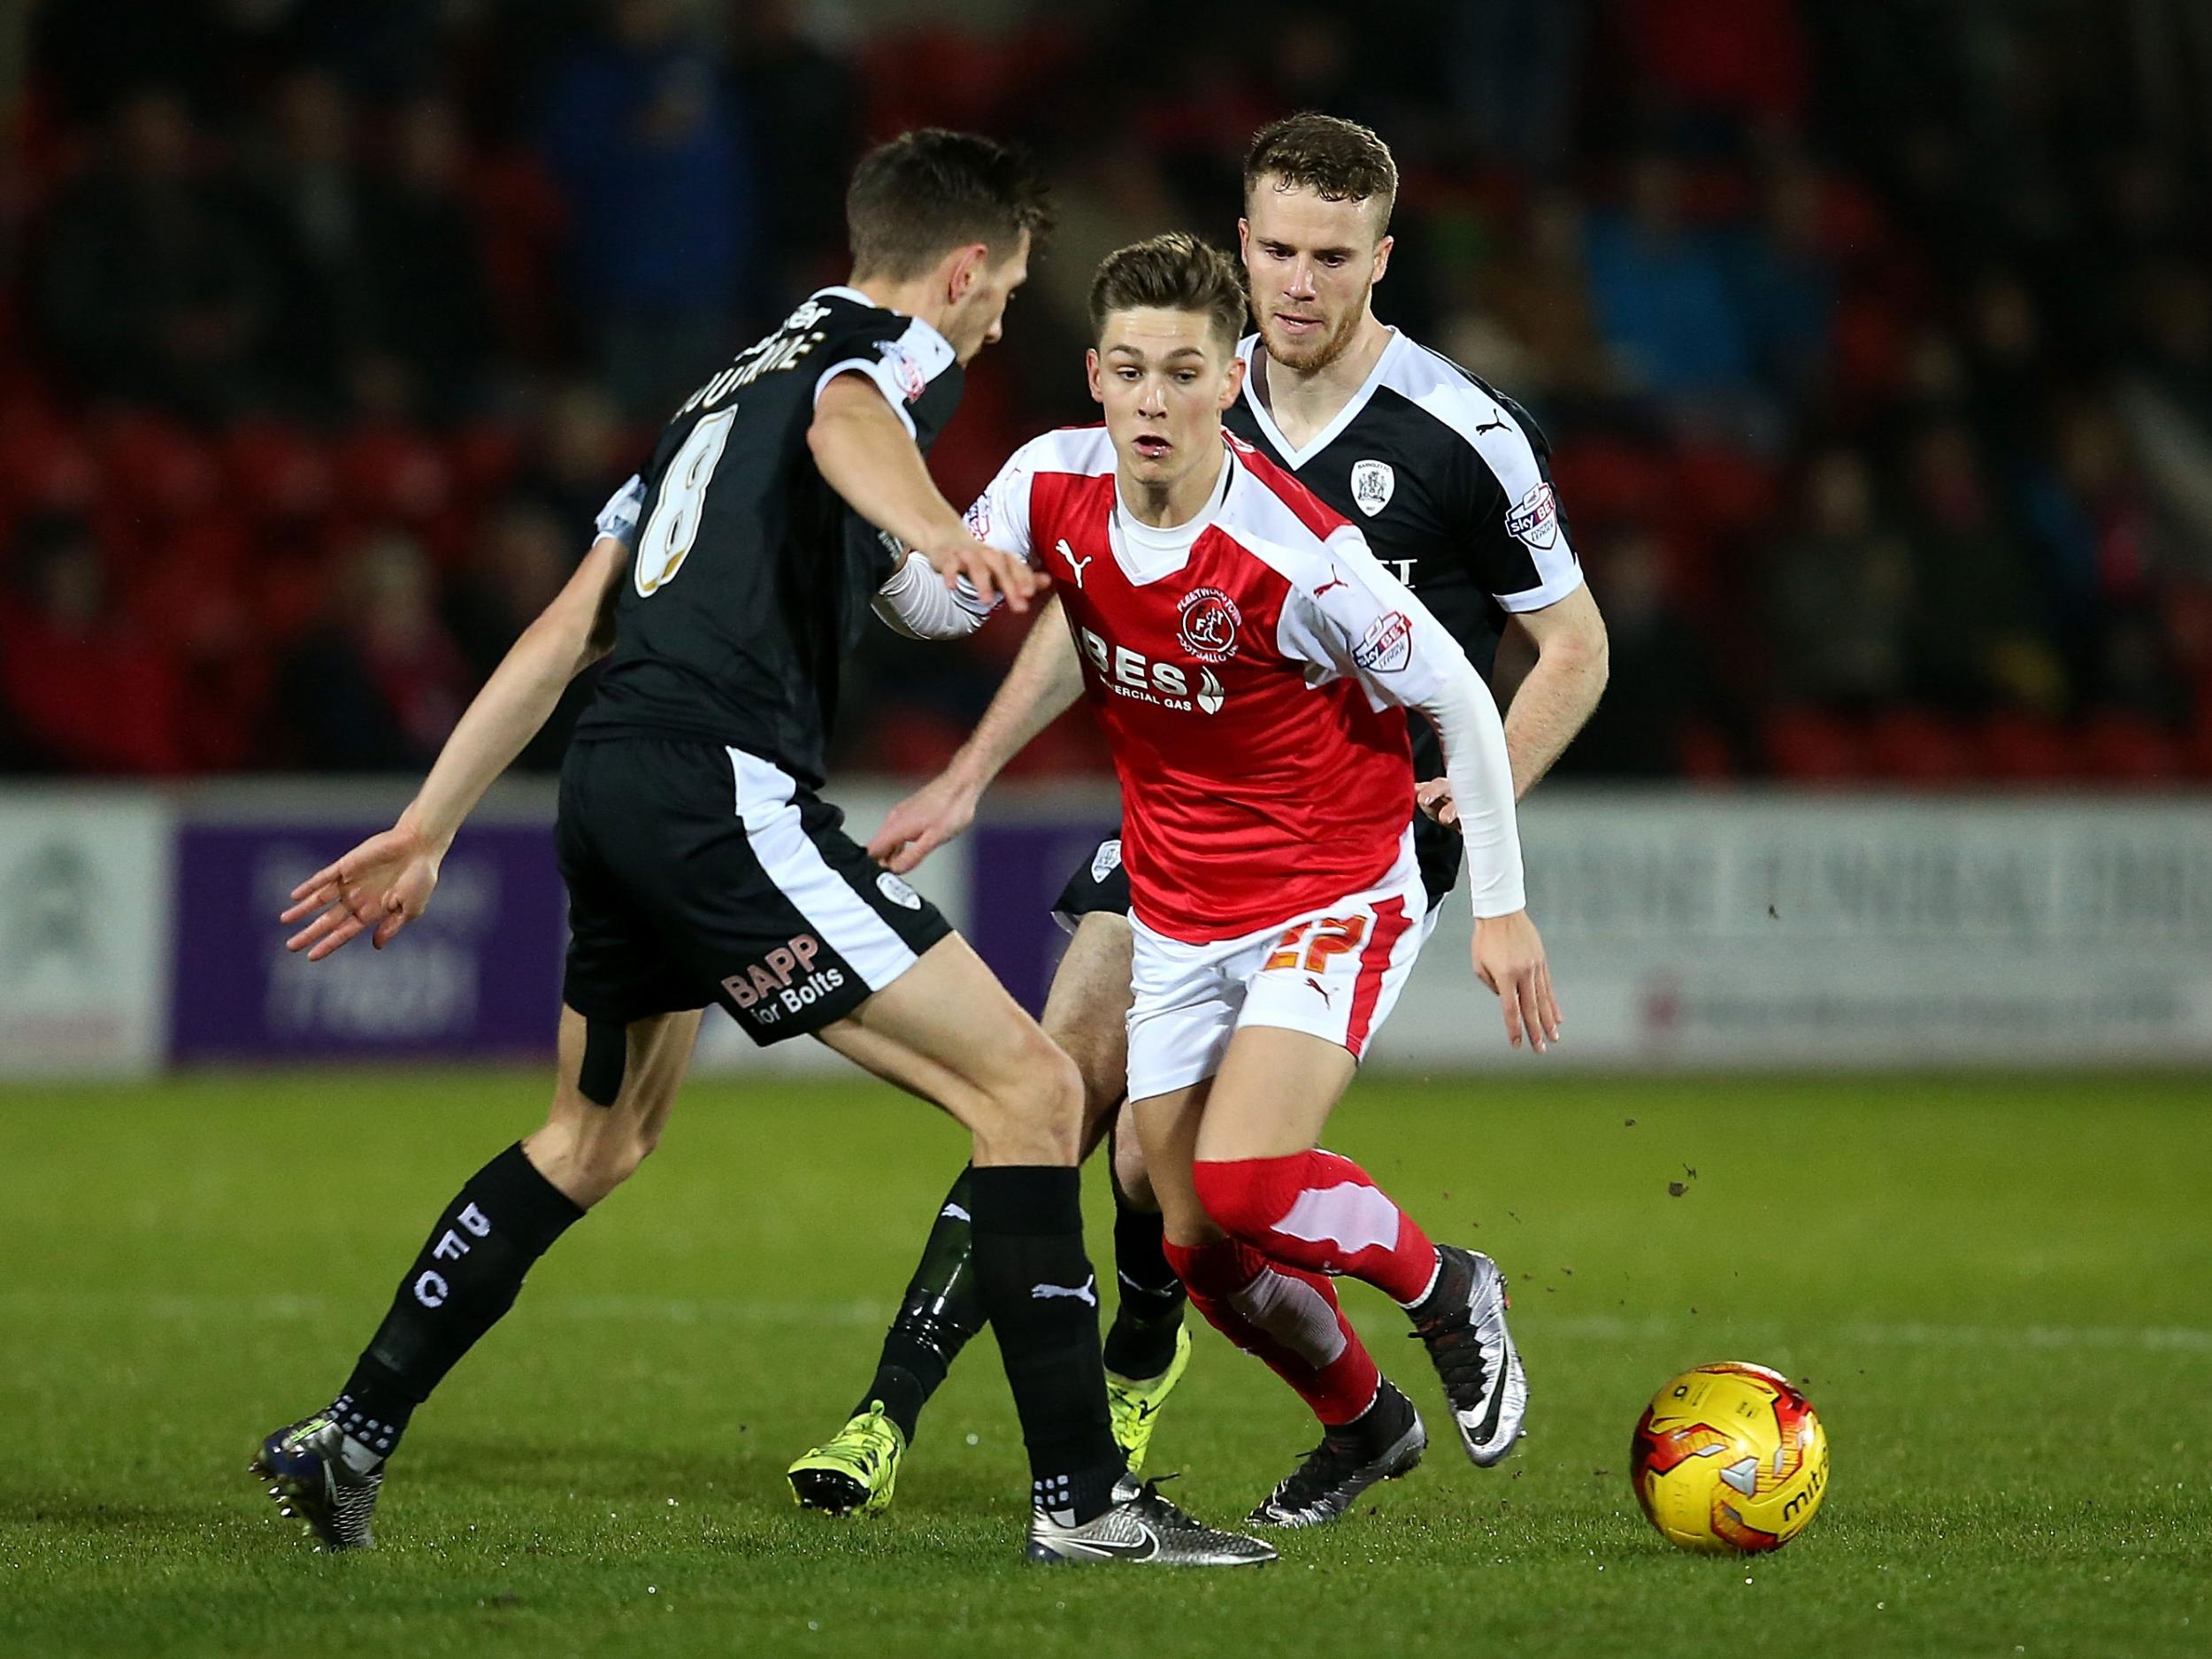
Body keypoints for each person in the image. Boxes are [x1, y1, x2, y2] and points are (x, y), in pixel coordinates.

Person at [253, 128, 1271, 1571]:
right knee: (1037, 1090)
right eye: (1007, 289)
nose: (997, 320)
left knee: (594, 1137)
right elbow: (852, 419)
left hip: (610, 777)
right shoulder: (881, 354)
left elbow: (567, 628)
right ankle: (1085, 1504)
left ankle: (346, 1434)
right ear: (967, 266)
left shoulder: (713, 395)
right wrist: (941, 531)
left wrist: (430, 822)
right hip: (715, 787)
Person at [793, 113, 1606, 1526]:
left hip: (1356, 833)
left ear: (1381, 260)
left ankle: (1396, 1295)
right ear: (1238, 255)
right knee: (1113, 1144)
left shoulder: (1445, 444)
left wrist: (1483, 848)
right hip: (1179, 834)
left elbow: (1559, 655)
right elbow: (1082, 586)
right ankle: (1350, 1417)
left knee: (1205, 1174)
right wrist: (901, 611)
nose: (1300, 281)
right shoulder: (1116, 435)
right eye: (1278, 250)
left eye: (1331, 258)